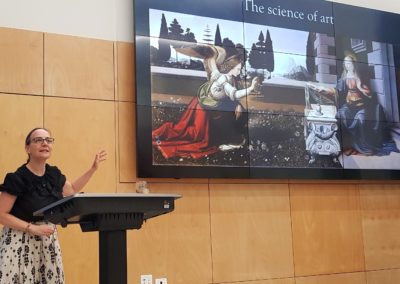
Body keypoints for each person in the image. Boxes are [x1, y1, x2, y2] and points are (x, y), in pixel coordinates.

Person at [0, 127, 107, 284]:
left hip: (47, 240)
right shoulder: (16, 178)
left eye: (48, 140)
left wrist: (93, 169)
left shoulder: (53, 174)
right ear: (27, 148)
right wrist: (32, 228)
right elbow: (2, 214)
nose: (45, 143)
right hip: (20, 241)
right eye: (38, 140)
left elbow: (72, 191)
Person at [152, 45, 259, 159]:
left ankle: (232, 138)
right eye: (238, 68)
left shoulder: (228, 77)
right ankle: (230, 138)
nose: (239, 71)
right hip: (204, 107)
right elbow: (233, 94)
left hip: (211, 105)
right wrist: (251, 88)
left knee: (238, 115)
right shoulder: (222, 78)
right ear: (232, 66)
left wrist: (237, 104)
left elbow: (229, 96)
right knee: (195, 134)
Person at [309, 53, 399, 156]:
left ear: (353, 64)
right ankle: (346, 145)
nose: (347, 65)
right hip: (348, 107)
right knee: (340, 115)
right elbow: (336, 91)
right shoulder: (344, 78)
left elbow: (369, 95)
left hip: (360, 107)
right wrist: (322, 89)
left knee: (361, 120)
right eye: (346, 63)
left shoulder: (358, 77)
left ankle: (363, 147)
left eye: (349, 63)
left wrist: (360, 87)